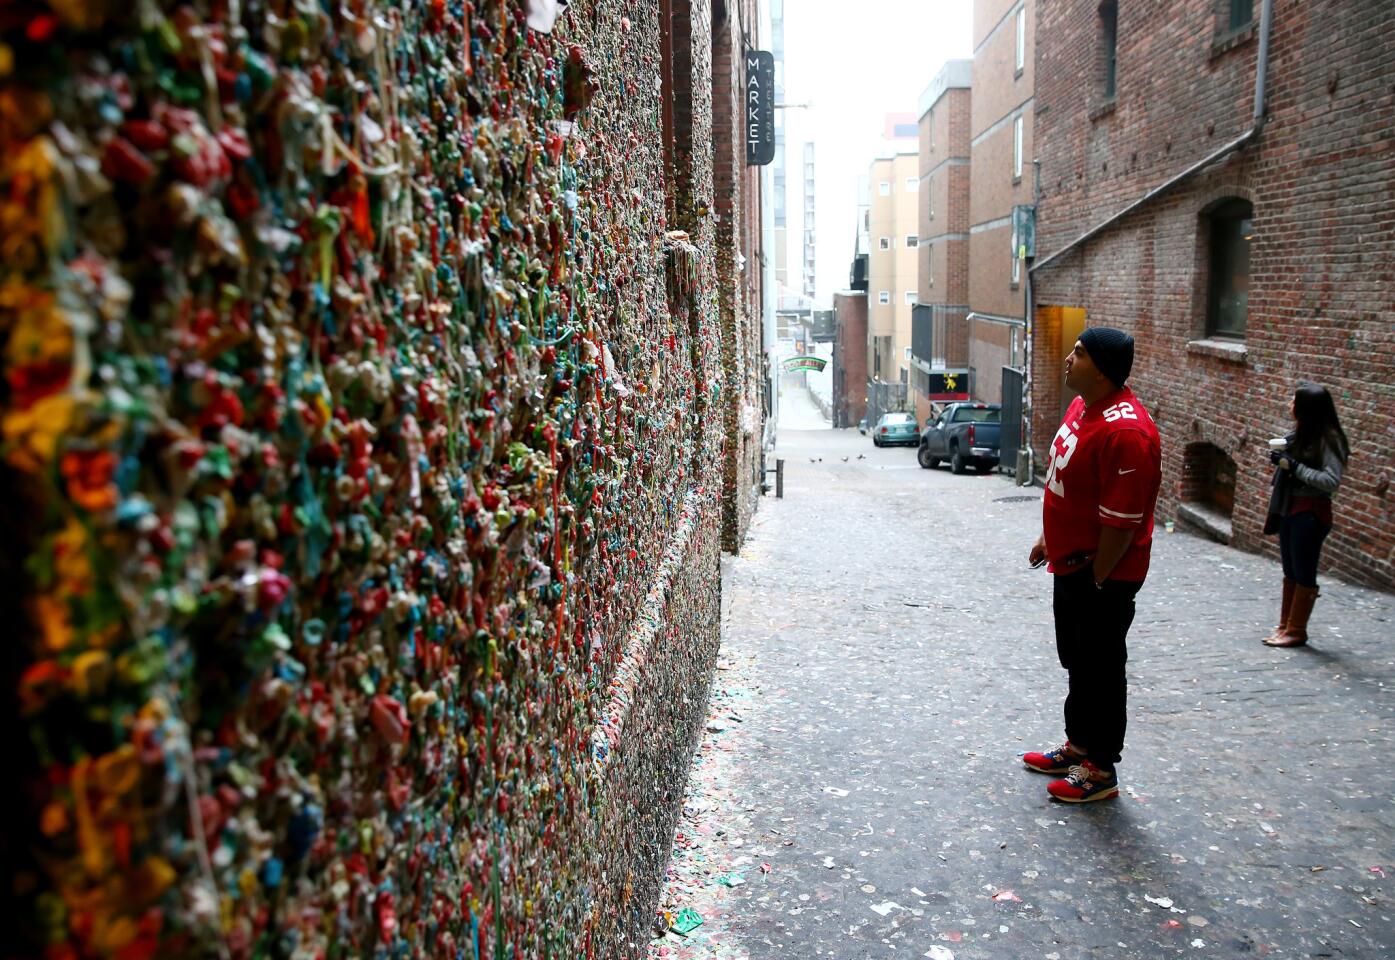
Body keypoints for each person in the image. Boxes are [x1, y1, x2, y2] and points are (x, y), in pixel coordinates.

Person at [1022, 327, 1161, 803]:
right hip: (1071, 562)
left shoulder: (1126, 433)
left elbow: (1121, 525)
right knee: (1077, 659)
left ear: (1101, 369)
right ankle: (1078, 744)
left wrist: (1097, 576)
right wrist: (1049, 537)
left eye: (1078, 354)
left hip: (1101, 573)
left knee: (1101, 667)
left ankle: (1100, 767)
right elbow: (1067, 484)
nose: (1067, 359)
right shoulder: (1083, 405)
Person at [1262, 383, 1349, 648]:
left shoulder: (1329, 439)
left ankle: (1297, 630)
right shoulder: (1301, 432)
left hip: (1310, 512)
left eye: (1294, 401)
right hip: (1290, 507)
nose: (1290, 405)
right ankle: (1285, 625)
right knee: (1290, 570)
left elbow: (1330, 480)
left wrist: (1295, 467)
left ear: (1306, 408)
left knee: (1303, 571)